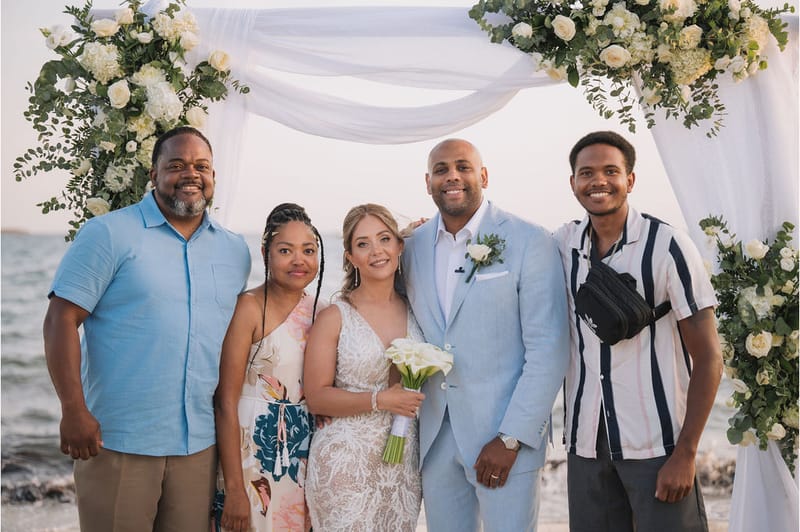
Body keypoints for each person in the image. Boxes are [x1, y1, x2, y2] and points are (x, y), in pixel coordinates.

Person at [42, 126, 251, 531]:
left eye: (201, 166)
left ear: (213, 177)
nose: (191, 174)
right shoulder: (108, 233)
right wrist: (73, 409)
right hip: (118, 442)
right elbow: (60, 319)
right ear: (153, 175)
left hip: (199, 446)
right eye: (176, 165)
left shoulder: (234, 250)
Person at [554, 131, 723, 532]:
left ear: (629, 180)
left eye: (610, 171)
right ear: (573, 183)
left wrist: (686, 453)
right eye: (587, 173)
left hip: (657, 446)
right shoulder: (563, 245)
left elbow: (709, 358)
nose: (598, 181)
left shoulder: (668, 246)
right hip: (586, 446)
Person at [402, 138, 570, 532]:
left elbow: (548, 350)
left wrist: (512, 438)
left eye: (463, 167)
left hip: (504, 440)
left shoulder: (531, 240)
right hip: (436, 441)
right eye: (441, 170)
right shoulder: (410, 247)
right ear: (427, 183)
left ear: (484, 175)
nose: (452, 176)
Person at [303, 204, 425, 531]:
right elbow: (316, 397)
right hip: (345, 464)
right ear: (350, 257)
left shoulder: (419, 311)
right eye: (363, 244)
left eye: (385, 239)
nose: (376, 251)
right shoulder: (335, 316)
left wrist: (426, 231)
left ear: (400, 246)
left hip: (402, 465)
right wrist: (380, 400)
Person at [213, 203, 325, 532]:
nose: (299, 260)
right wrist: (235, 489)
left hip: (301, 457)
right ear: (265, 254)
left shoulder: (323, 311)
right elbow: (225, 402)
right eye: (285, 250)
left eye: (308, 250)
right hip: (250, 455)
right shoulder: (248, 308)